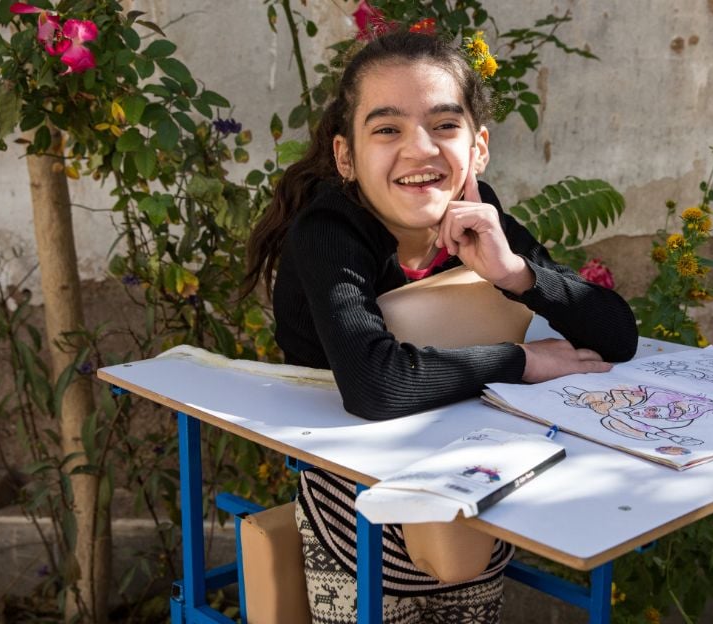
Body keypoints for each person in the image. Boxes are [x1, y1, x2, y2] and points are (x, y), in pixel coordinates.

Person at [242, 29, 637, 624]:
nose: (419, 150)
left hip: (468, 484)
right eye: (387, 129)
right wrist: (522, 361)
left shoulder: (480, 220)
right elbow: (376, 386)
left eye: (444, 126)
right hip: (355, 498)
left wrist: (515, 271)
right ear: (346, 155)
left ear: (477, 148)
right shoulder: (330, 232)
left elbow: (617, 337)